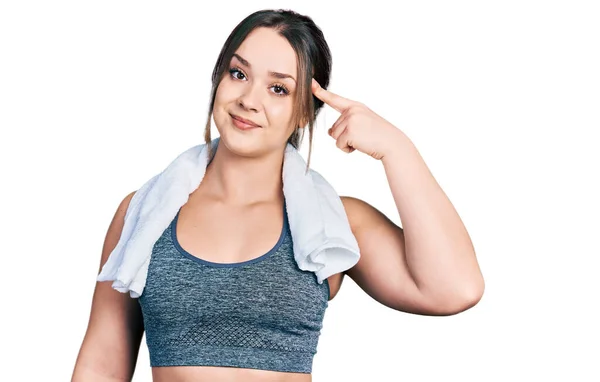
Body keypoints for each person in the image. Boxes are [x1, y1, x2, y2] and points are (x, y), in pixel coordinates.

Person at [72, 8, 484, 382]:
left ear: (305, 110)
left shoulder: (335, 224)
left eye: (279, 89)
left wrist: (397, 149)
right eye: (239, 74)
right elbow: (102, 363)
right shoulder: (144, 212)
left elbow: (454, 289)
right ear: (218, 79)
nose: (249, 100)